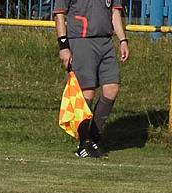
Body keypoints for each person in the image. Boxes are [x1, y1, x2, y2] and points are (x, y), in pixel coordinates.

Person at [54, 0, 129, 158]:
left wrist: (123, 40)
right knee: (87, 92)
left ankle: (93, 136)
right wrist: (63, 46)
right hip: (82, 40)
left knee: (112, 88)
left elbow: (115, 13)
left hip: (106, 41)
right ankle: (83, 143)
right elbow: (59, 14)